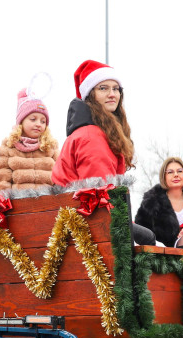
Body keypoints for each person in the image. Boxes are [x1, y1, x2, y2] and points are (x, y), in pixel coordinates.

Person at [51, 59, 155, 245]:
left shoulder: (98, 132)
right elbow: (99, 196)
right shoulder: (92, 136)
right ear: (90, 95)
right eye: (103, 88)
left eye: (116, 89)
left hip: (82, 216)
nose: (112, 94)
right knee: (149, 239)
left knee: (147, 236)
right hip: (85, 222)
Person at [134, 157, 183, 256]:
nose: (176, 175)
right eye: (170, 172)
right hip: (164, 255)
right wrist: (178, 238)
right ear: (164, 177)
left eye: (180, 171)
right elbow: (142, 236)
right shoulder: (151, 204)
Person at [0, 86, 58, 194]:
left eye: (43, 121)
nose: (38, 124)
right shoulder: (8, 147)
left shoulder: (50, 147)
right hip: (19, 207)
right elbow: (2, 181)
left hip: (48, 205)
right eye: (33, 119)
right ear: (21, 121)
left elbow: (61, 177)